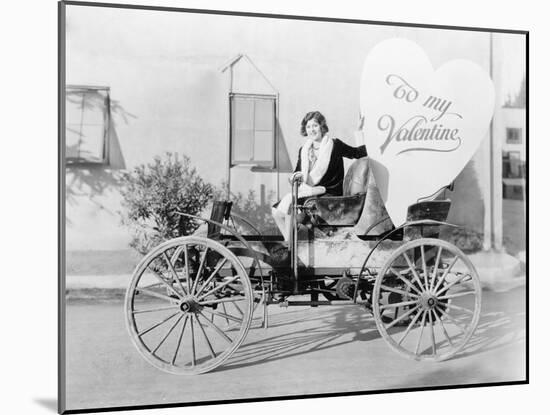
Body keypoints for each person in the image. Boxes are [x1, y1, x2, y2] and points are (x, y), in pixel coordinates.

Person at [272, 111, 368, 240]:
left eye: (315, 125)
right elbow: (297, 171)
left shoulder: (335, 145)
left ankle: (293, 246)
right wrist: (297, 176)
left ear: (322, 127)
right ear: (305, 129)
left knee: (292, 209)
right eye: (308, 126)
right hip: (309, 192)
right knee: (277, 212)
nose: (312, 129)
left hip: (328, 194)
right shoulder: (304, 150)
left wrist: (359, 131)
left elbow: (358, 153)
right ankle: (290, 243)